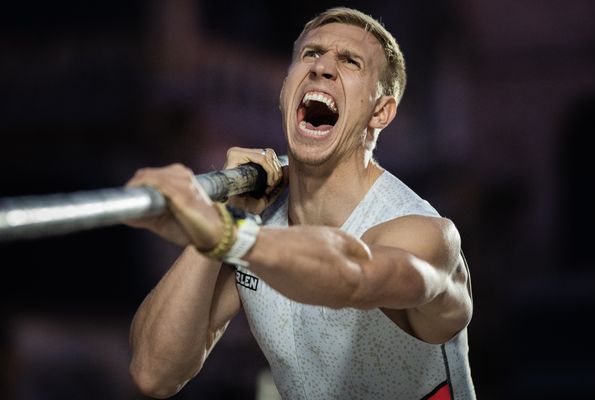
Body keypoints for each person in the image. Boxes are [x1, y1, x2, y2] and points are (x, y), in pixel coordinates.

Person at [126, 7, 476, 400]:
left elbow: (352, 275)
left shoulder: (423, 234)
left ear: (381, 112)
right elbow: (153, 373)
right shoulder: (253, 224)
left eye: (349, 61)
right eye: (311, 54)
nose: (322, 67)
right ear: (284, 91)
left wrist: (224, 232)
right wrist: (228, 214)